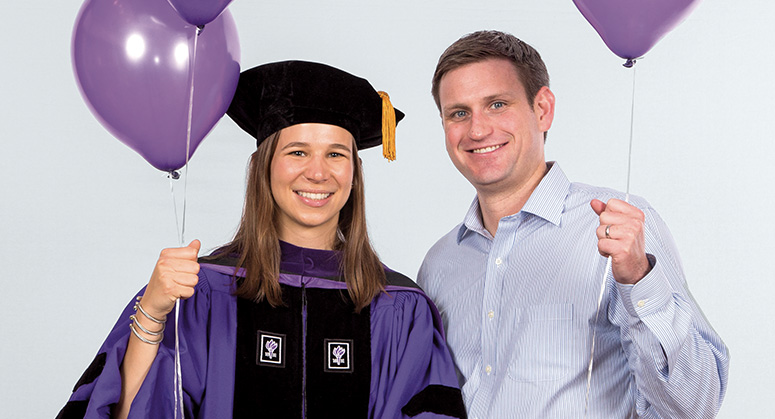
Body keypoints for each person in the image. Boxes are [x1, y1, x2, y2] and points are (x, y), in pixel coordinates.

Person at [58, 60, 466, 419]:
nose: (318, 173)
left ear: (355, 174)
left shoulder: (398, 306)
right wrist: (151, 312)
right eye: (298, 152)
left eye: (336, 154)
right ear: (263, 166)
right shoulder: (203, 291)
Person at [417, 30, 729, 418]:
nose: (477, 130)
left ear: (543, 108)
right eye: (458, 113)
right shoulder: (439, 264)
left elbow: (694, 406)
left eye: (497, 104)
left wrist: (638, 277)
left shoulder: (619, 229)